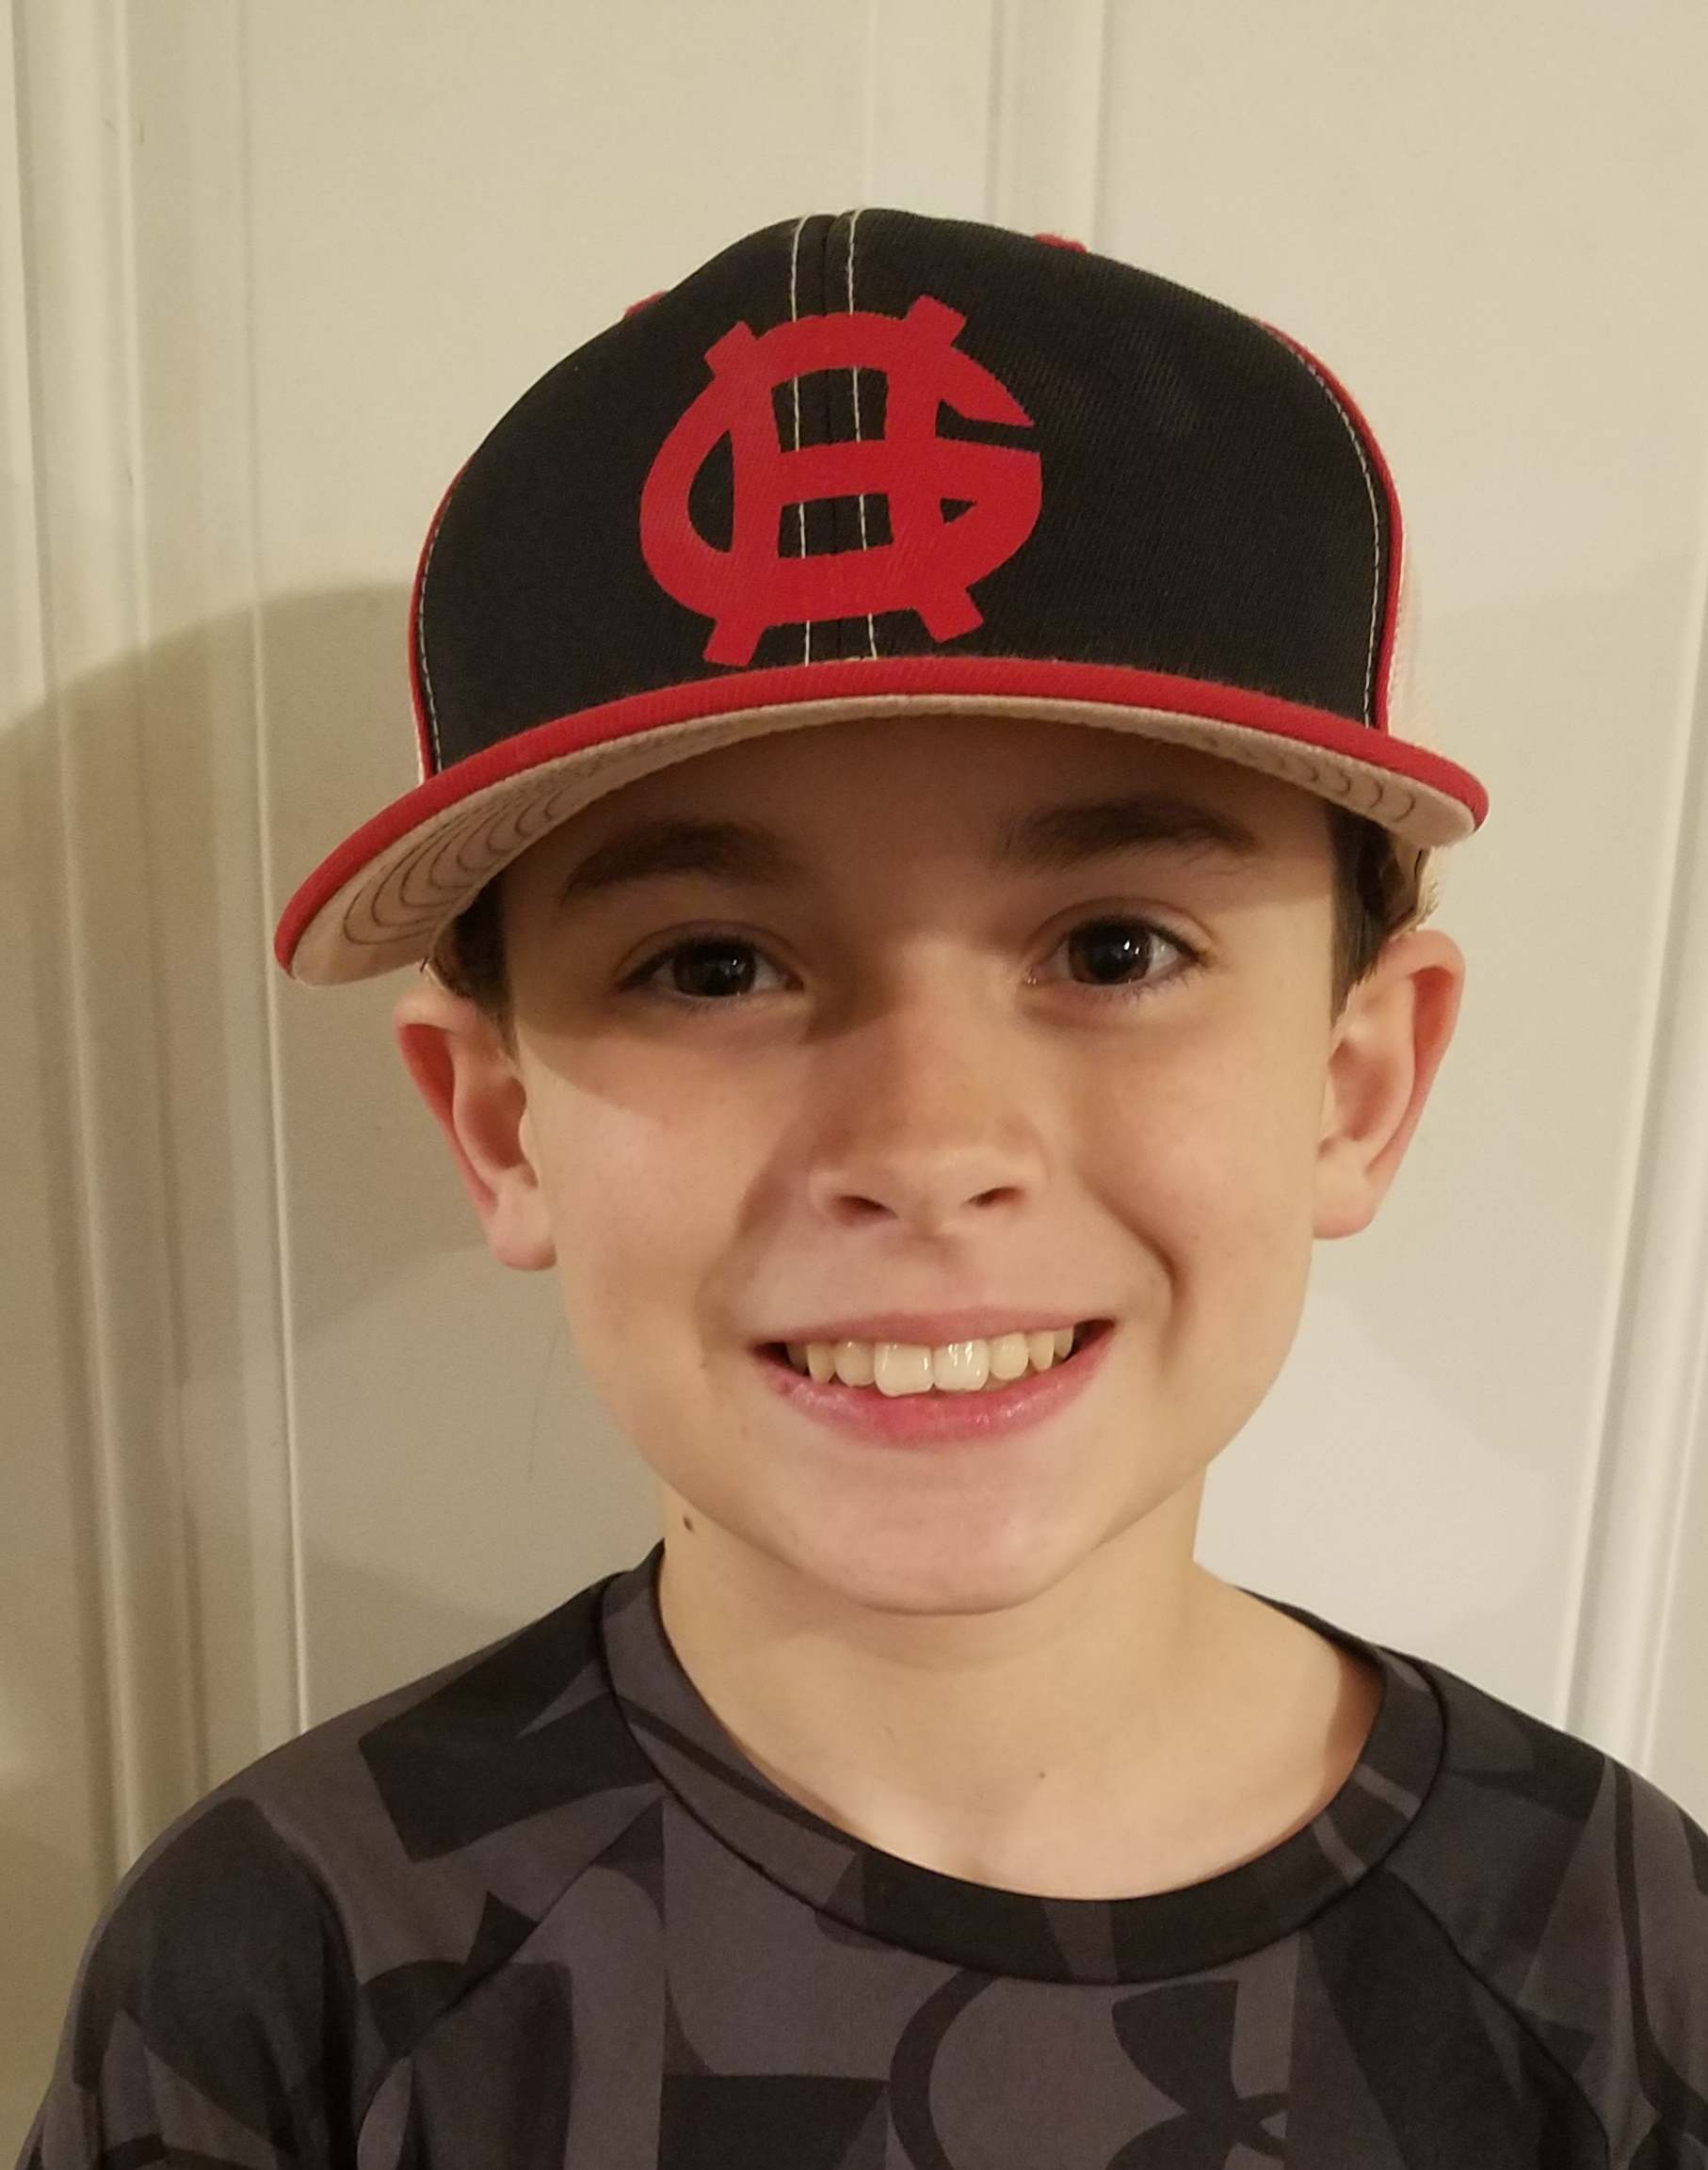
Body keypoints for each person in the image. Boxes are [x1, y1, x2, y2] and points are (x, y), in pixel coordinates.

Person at [22, 210, 1707, 2169]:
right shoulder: (295, 1956)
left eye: (1113, 949)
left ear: (1357, 1083)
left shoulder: (1609, 1947)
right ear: (498, 1125)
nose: (923, 1146)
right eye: (710, 966)